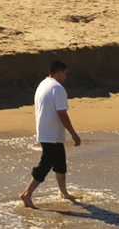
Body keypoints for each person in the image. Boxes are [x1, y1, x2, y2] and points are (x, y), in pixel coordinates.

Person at [17, 60, 80, 207]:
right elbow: (62, 113)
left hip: (48, 131)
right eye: (65, 73)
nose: (66, 76)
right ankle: (27, 194)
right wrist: (73, 133)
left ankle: (63, 192)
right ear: (58, 72)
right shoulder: (57, 88)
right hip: (50, 132)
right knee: (46, 163)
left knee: (60, 162)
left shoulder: (43, 84)